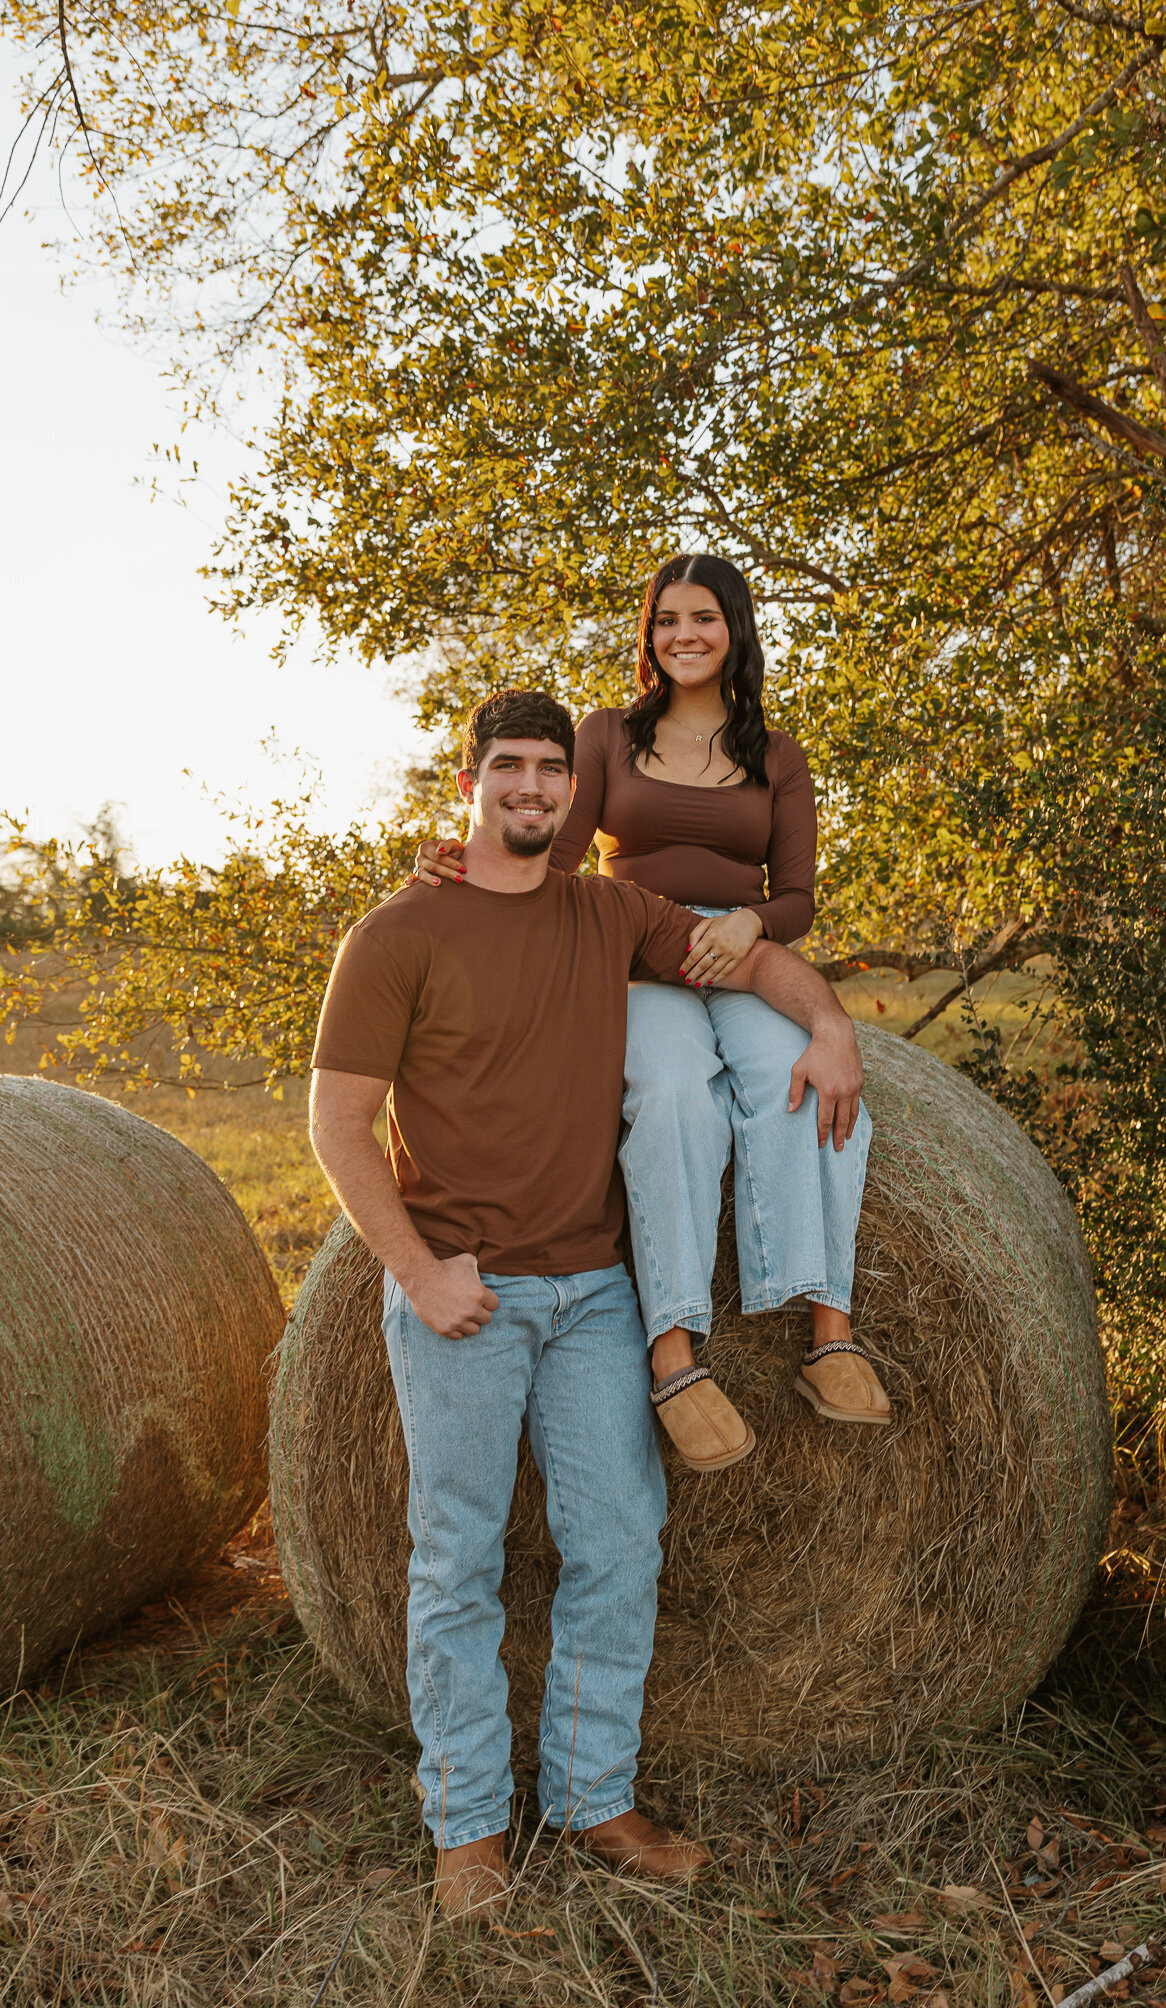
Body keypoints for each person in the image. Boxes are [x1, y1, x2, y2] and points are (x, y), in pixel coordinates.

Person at [308, 688, 866, 1921]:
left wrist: (826, 1024)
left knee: (616, 1546)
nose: (528, 786)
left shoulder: (605, 908)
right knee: (455, 1559)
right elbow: (336, 1120)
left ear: (574, 792)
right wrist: (418, 1271)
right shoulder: (397, 932)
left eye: (549, 770)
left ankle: (590, 1794)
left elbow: (747, 951)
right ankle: (465, 1825)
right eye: (506, 766)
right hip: (465, 1292)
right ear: (469, 782)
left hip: (597, 1294)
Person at [412, 554, 888, 1474]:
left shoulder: (777, 756)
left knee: (814, 1086)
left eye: (702, 618)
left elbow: (795, 897)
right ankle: (673, 1353)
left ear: (733, 628)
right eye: (665, 619)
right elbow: (554, 851)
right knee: (671, 1098)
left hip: (744, 951)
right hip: (633, 949)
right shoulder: (605, 734)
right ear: (649, 634)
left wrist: (750, 922)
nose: (683, 636)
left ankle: (828, 1330)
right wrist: (463, 865)